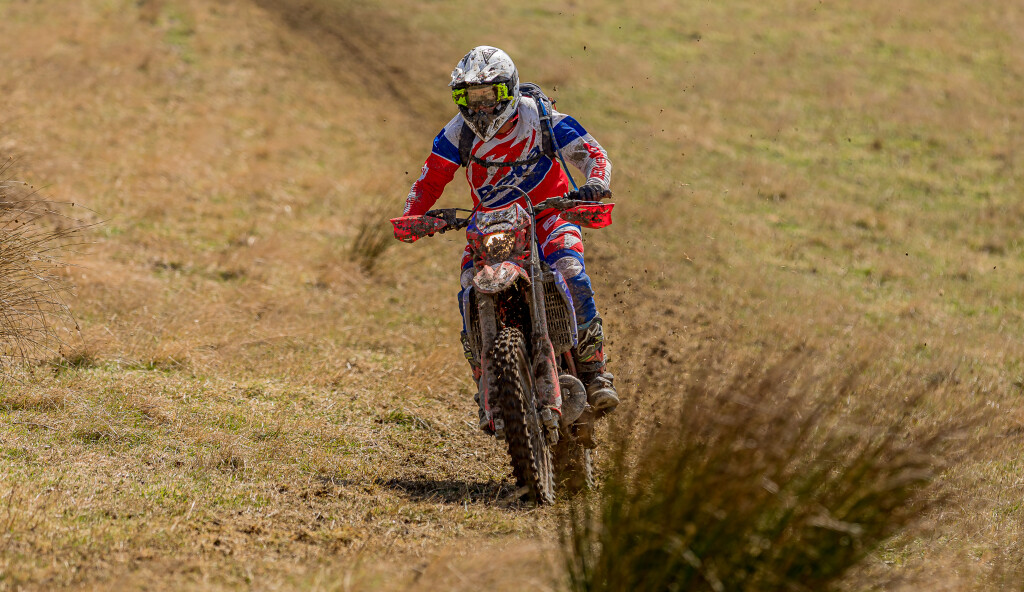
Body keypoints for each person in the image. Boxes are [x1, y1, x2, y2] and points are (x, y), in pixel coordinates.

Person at [402, 45, 618, 430]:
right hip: (491, 225)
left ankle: (595, 369)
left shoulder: (542, 119)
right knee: (469, 288)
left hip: (549, 216)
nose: (481, 107)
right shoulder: (457, 133)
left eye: (489, 95)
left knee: (571, 272)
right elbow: (429, 180)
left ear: (509, 89)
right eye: (471, 98)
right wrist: (411, 216)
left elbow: (593, 154)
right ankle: (484, 381)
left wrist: (595, 184)